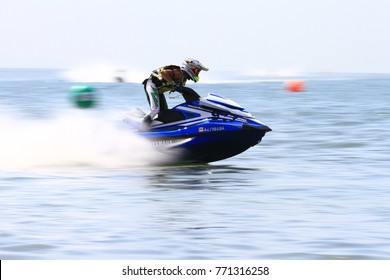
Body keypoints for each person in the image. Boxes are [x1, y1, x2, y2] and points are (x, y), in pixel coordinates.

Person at [141, 58, 209, 127]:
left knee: (163, 111)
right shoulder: (178, 72)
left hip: (159, 91)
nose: (196, 73)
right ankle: (142, 127)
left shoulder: (183, 80)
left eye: (198, 72)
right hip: (152, 85)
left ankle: (154, 127)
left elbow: (181, 90)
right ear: (189, 67)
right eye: (196, 71)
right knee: (155, 110)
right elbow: (163, 73)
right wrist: (172, 83)